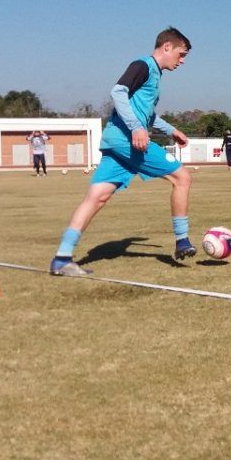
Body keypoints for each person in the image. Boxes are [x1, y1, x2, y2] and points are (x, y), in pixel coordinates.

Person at [49, 27, 195, 276]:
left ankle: (62, 257)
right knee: (182, 177)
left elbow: (146, 114)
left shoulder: (154, 75)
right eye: (181, 54)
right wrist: (137, 129)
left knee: (96, 198)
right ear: (167, 47)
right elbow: (118, 92)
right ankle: (182, 241)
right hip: (129, 140)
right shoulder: (143, 65)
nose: (182, 61)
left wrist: (170, 130)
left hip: (116, 140)